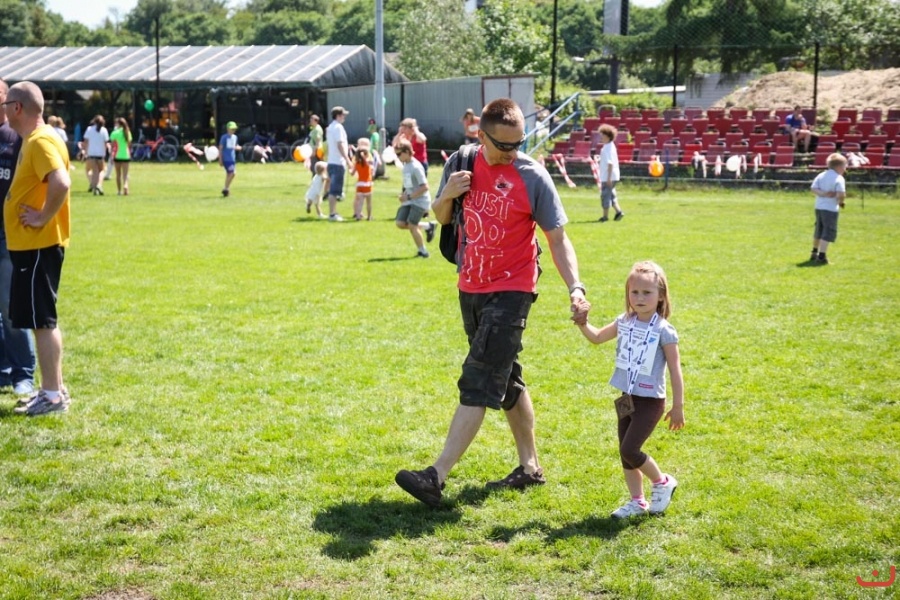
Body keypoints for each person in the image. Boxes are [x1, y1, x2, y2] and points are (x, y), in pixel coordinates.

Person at [394, 98, 588, 506]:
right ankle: (530, 467)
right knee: (506, 378)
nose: (513, 152)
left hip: (513, 290)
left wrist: (576, 286)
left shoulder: (532, 177)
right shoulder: (461, 164)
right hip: (470, 286)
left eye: (520, 143)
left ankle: (436, 475)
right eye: (504, 145)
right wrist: (448, 193)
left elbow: (557, 238)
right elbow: (442, 217)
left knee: (480, 377)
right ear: (481, 136)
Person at [574, 260, 684, 518]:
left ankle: (662, 482)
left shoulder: (664, 330)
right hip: (627, 398)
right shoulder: (625, 321)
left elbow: (675, 369)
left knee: (630, 449)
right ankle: (637, 502)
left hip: (650, 401)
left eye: (647, 292)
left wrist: (678, 405)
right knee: (625, 453)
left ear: (660, 296)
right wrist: (582, 322)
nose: (640, 298)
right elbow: (597, 337)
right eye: (634, 292)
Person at [4, 81, 72, 416]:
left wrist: (43, 216)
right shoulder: (36, 139)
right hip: (33, 246)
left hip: (38, 246)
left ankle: (52, 396)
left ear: (17, 108)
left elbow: (61, 181)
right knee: (40, 320)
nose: (4, 111)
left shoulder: (41, 139)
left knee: (43, 321)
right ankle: (53, 389)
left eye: (6, 105)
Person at [0, 78, 36, 398]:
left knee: (10, 307)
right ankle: (2, 371)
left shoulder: (16, 136)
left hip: (7, 233)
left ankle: (23, 372)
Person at [394, 139, 435, 257]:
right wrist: (404, 195)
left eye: (399, 154)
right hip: (410, 200)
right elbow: (409, 185)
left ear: (407, 152)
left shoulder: (416, 167)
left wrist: (408, 197)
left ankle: (423, 252)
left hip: (420, 201)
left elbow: (425, 187)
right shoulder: (406, 165)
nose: (397, 157)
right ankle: (428, 226)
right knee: (400, 223)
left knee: (412, 226)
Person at [809, 153, 847, 265]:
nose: (845, 169)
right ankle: (822, 256)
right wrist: (841, 202)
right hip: (830, 209)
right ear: (839, 167)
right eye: (844, 166)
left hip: (819, 207)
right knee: (828, 231)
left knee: (819, 229)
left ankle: (814, 252)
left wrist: (823, 194)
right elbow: (841, 193)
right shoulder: (839, 178)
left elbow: (813, 188)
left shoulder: (821, 175)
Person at [325, 106, 353, 222]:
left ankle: (333, 212)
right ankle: (332, 214)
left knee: (334, 189)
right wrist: (348, 160)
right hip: (338, 162)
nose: (344, 117)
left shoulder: (330, 127)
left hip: (331, 161)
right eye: (343, 115)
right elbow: (340, 144)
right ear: (338, 116)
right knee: (334, 190)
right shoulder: (338, 128)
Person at [597, 124, 625, 222]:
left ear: (608, 136)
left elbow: (610, 163)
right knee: (611, 195)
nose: (601, 137)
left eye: (603, 135)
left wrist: (608, 178)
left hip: (608, 176)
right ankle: (618, 212)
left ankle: (605, 216)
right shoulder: (610, 146)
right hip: (612, 176)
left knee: (605, 195)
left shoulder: (607, 148)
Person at [82, 114, 109, 195]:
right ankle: (99, 185)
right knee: (102, 171)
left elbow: (86, 141)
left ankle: (94, 186)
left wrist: (84, 151)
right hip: (100, 154)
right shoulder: (104, 130)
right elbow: (105, 143)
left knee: (94, 171)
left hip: (91, 154)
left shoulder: (89, 129)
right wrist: (105, 152)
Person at [109, 118, 132, 196]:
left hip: (117, 155)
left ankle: (119, 191)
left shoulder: (115, 133)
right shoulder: (127, 132)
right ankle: (125, 185)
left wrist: (111, 155)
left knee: (118, 174)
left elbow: (112, 146)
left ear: (118, 124)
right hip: (126, 155)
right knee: (125, 174)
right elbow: (129, 145)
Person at [351, 144, 375, 221]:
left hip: (359, 184)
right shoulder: (368, 162)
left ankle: (358, 215)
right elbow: (372, 169)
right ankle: (369, 216)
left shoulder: (357, 163)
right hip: (367, 184)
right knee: (368, 202)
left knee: (360, 202)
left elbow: (352, 173)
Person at [218, 121, 241, 197]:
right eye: (232, 129)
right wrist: (220, 159)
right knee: (233, 173)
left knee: (229, 174)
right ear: (228, 129)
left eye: (234, 129)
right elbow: (220, 148)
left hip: (232, 159)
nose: (233, 130)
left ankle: (226, 190)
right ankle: (225, 188)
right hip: (226, 159)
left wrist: (239, 148)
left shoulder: (235, 137)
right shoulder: (224, 137)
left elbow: (235, 146)